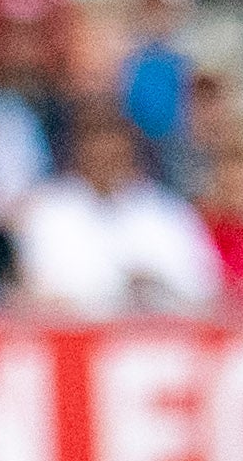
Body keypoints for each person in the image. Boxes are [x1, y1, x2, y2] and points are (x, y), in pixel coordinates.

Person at [14, 107, 225, 316]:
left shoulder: (165, 211)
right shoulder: (48, 211)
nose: (105, 159)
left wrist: (154, 285)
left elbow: (204, 285)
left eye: (114, 150)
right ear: (79, 151)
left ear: (131, 153)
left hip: (157, 336)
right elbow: (36, 288)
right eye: (96, 149)